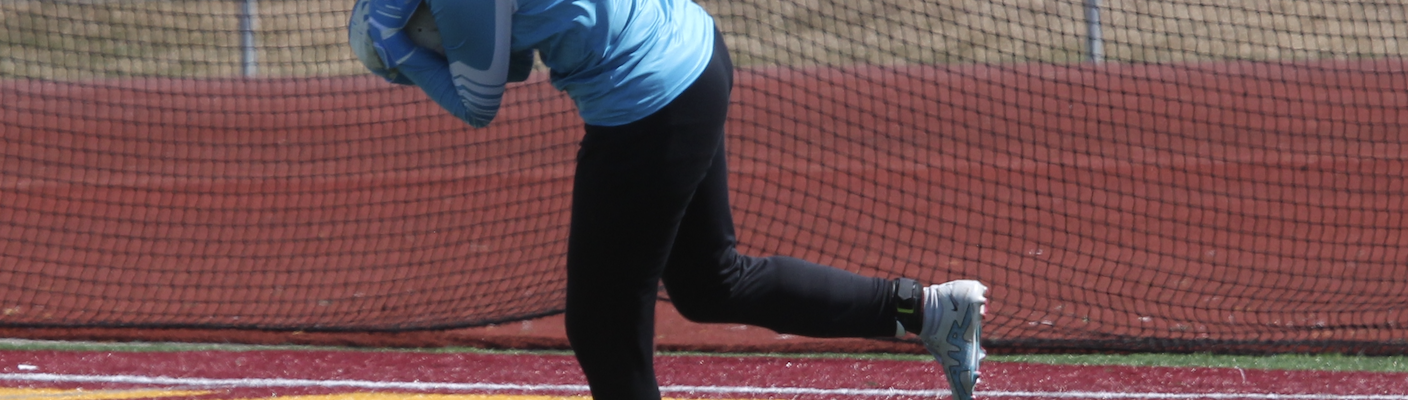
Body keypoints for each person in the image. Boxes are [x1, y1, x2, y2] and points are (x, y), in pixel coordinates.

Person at [346, 0, 989, 398]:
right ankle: (933, 312)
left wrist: (399, 47)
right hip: (692, 55)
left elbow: (480, 102)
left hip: (648, 104)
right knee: (712, 284)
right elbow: (513, 58)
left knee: (602, 328)